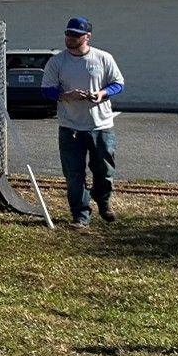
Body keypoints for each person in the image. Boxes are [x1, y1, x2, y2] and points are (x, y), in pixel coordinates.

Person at [40, 17, 125, 227]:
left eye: (76, 35)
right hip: (70, 127)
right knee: (73, 173)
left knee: (104, 169)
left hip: (101, 125)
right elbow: (46, 90)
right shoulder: (57, 61)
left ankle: (103, 199)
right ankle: (81, 215)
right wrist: (66, 95)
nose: (70, 38)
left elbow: (118, 83)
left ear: (87, 37)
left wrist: (102, 93)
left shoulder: (103, 58)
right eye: (68, 34)